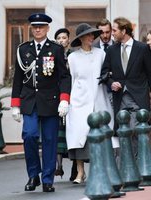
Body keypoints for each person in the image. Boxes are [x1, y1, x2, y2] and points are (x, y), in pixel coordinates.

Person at [11, 13, 71, 192]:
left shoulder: (56, 49)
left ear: (47, 28)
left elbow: (64, 76)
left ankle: (47, 179)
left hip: (51, 101)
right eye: (35, 26)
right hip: (29, 101)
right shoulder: (23, 49)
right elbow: (18, 78)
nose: (38, 29)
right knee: (29, 136)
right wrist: (15, 103)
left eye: (41, 26)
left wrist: (64, 100)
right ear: (32, 28)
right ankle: (33, 175)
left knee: (50, 140)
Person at [66, 23, 113, 184]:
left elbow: (107, 74)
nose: (91, 37)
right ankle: (80, 172)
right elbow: (70, 80)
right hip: (79, 101)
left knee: (100, 136)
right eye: (88, 35)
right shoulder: (72, 57)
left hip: (99, 99)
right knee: (78, 136)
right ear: (80, 38)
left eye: (93, 35)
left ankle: (98, 171)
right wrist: (67, 102)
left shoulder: (101, 54)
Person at [100, 17, 151, 156]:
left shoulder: (142, 48)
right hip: (119, 98)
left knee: (135, 130)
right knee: (123, 132)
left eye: (115, 30)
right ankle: (127, 168)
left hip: (139, 98)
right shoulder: (111, 50)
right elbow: (104, 73)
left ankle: (136, 165)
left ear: (124, 31)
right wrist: (111, 83)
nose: (112, 33)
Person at [54, 28, 78, 181]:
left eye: (64, 37)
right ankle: (59, 166)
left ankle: (76, 166)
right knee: (58, 133)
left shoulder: (73, 56)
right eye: (59, 38)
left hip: (74, 97)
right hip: (58, 98)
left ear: (68, 40)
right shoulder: (52, 56)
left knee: (73, 132)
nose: (61, 40)